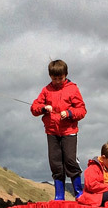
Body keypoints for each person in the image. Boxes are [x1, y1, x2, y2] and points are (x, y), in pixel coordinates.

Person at [31, 59, 87, 200]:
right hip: (52, 132)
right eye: (54, 78)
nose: (57, 81)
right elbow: (34, 108)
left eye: (60, 78)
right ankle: (59, 194)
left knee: (70, 160)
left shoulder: (72, 89)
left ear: (66, 75)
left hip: (69, 132)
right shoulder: (46, 90)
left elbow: (82, 110)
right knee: (55, 162)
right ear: (50, 76)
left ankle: (78, 192)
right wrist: (43, 108)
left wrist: (69, 113)